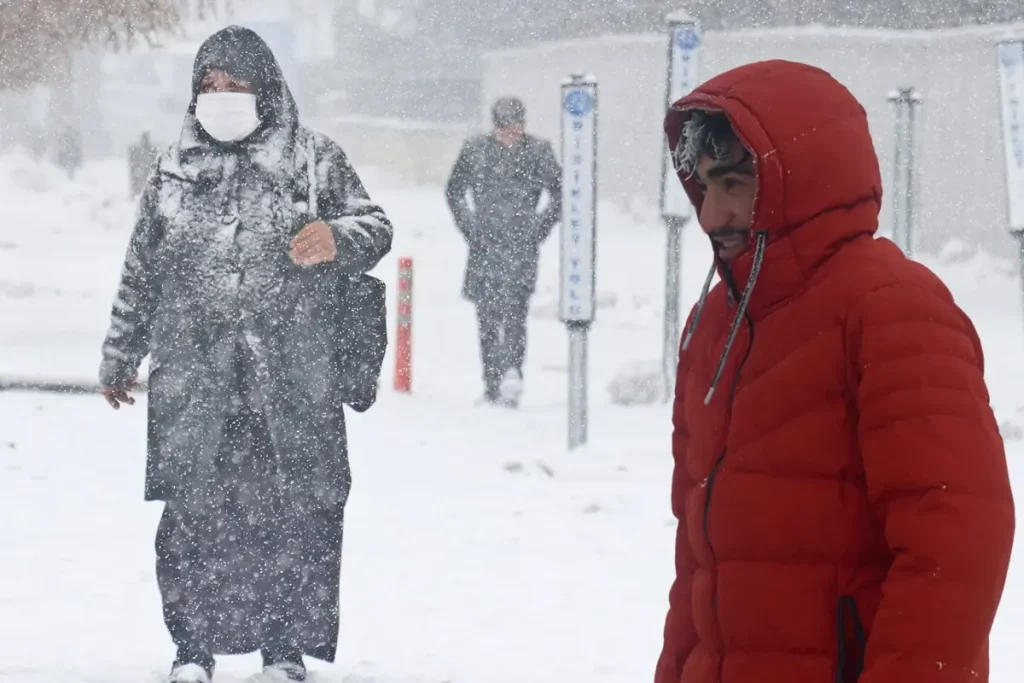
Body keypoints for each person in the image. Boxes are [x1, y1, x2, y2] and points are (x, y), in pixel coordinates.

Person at [655, 59, 1015, 683]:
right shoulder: (715, 322)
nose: (711, 215)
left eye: (735, 184)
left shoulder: (893, 307)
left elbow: (955, 543)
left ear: (799, 180)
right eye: (706, 187)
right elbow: (699, 560)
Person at [97, 26, 393, 683]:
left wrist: (334, 236)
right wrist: (120, 353)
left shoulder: (314, 160)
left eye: (236, 85)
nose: (222, 96)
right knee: (191, 522)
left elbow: (376, 227)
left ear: (268, 91)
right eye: (209, 86)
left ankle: (283, 648)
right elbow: (141, 269)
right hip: (195, 384)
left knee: (293, 519)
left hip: (292, 382)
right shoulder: (174, 170)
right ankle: (193, 648)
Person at [445, 96, 562, 407]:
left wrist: (539, 228)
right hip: (484, 247)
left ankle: (512, 373)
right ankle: (491, 383)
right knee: (486, 318)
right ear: (495, 128)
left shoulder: (538, 152)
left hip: (522, 247)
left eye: (517, 128)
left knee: (514, 313)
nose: (512, 135)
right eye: (506, 129)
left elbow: (560, 192)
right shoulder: (475, 151)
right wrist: (470, 227)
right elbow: (454, 191)